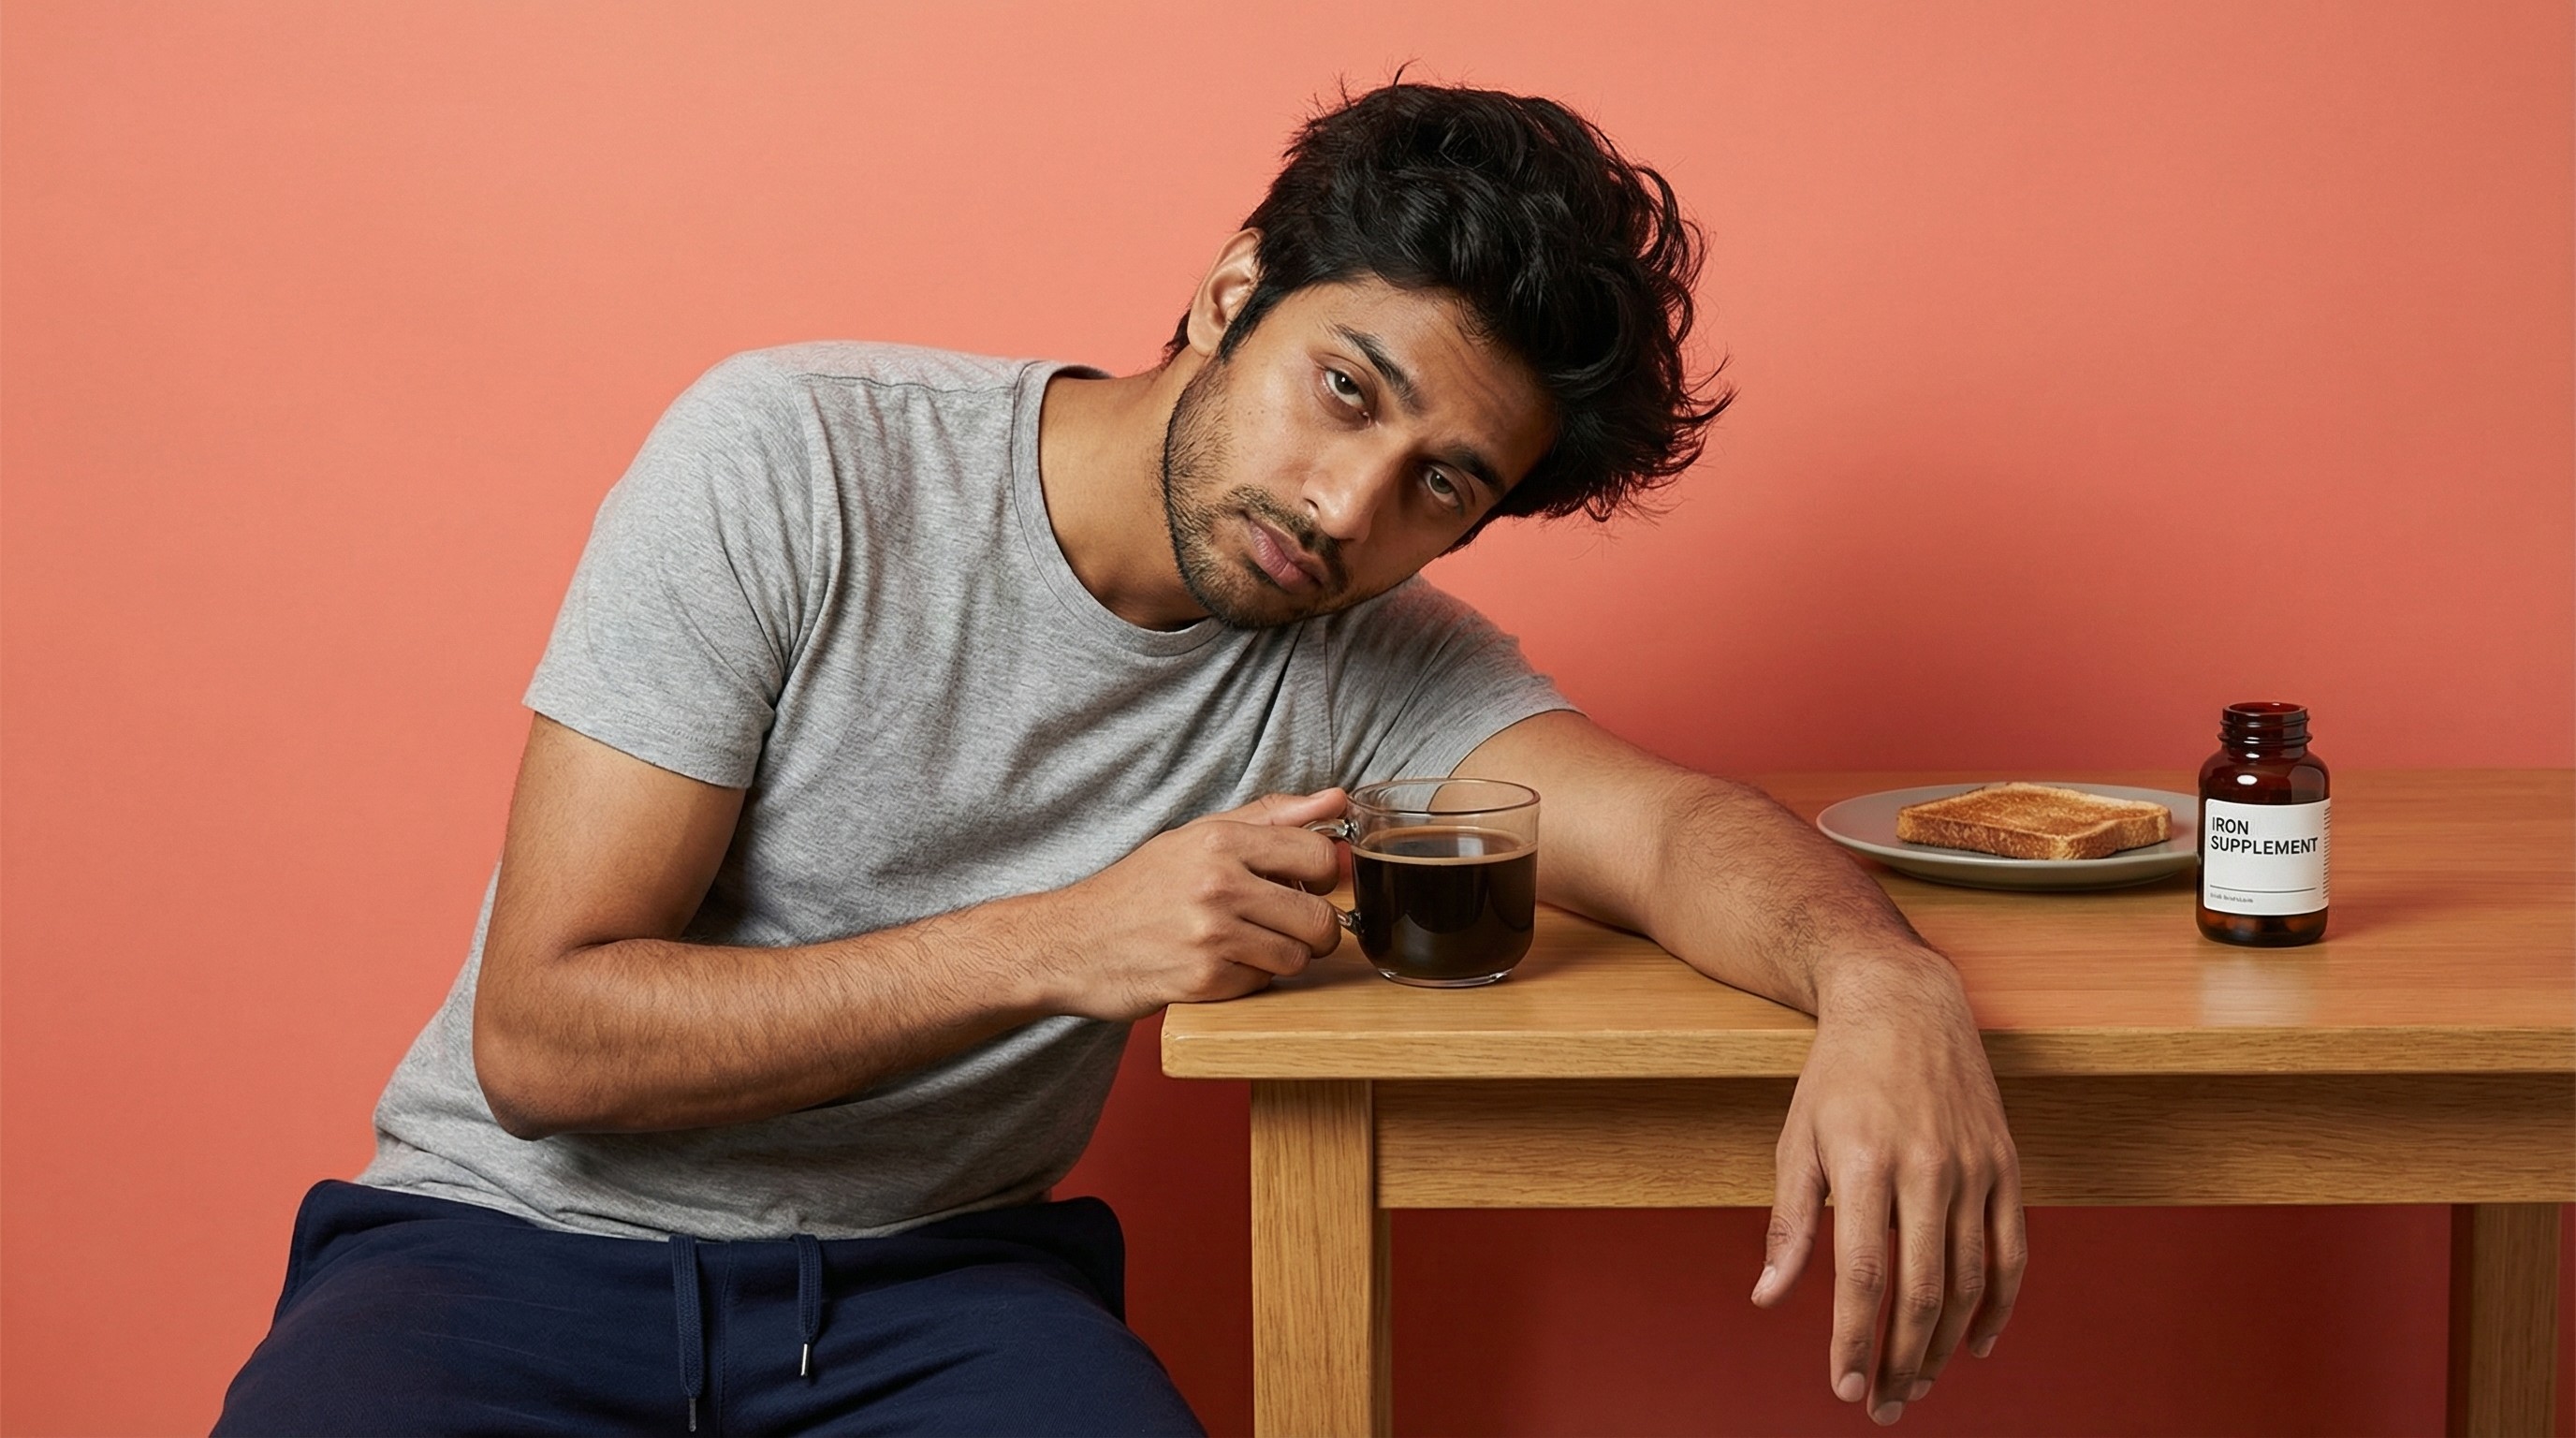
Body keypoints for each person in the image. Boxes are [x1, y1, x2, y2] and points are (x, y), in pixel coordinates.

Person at [215, 81, 2022, 1435]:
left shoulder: (1361, 658)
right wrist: (1064, 941)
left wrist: (1885, 989)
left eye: (1442, 486)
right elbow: (542, 1038)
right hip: (501, 1254)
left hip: (940, 1293)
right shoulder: (796, 458)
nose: (1347, 507)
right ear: (1234, 287)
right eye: (1348, 389)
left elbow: (1681, 830)